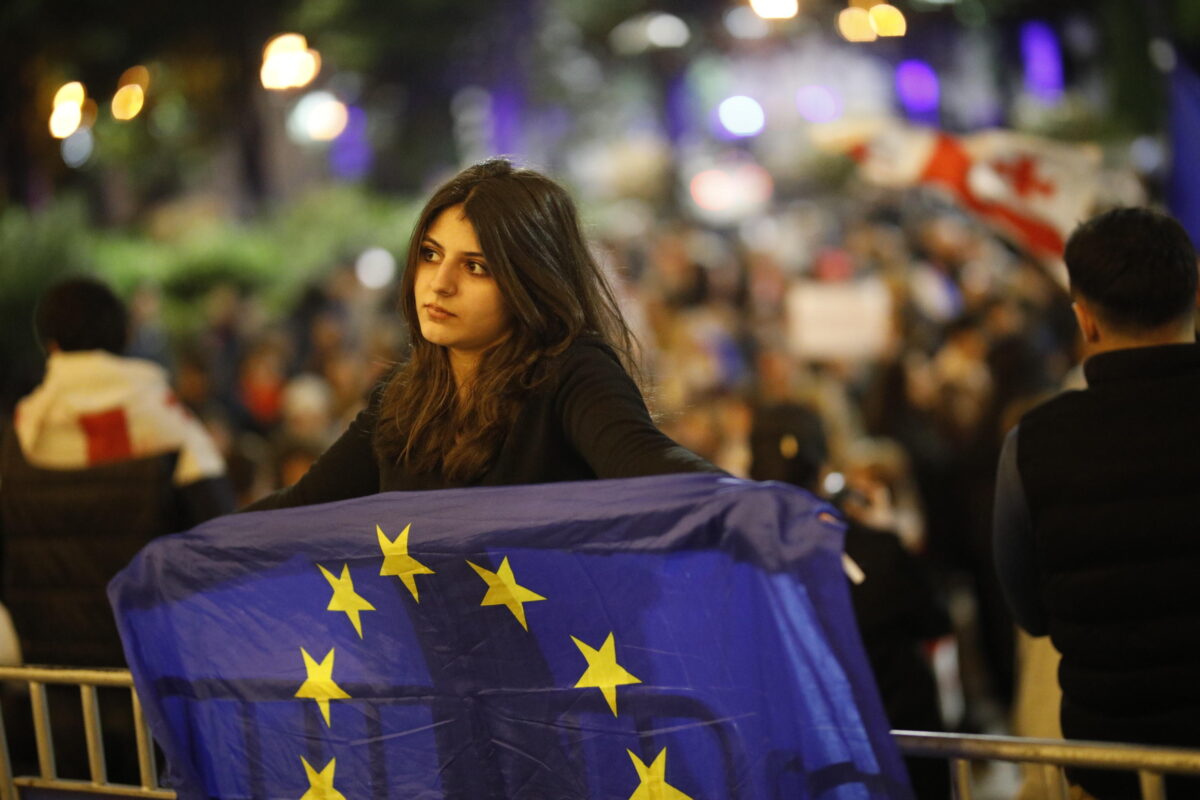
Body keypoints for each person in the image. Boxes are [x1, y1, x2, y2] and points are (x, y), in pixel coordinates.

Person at [247, 158, 719, 511]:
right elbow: (301, 510)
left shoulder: (574, 372)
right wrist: (205, 515)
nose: (440, 283)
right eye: (431, 255)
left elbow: (649, 461)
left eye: (475, 267)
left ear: (530, 283)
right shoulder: (402, 396)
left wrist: (748, 504)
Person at [992, 207, 1200, 799]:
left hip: (1113, 767)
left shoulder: (1032, 444)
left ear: (1085, 319)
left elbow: (1031, 612)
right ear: (1196, 296)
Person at [0, 276, 234, 780]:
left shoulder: (16, 440)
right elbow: (225, 551)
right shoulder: (172, 428)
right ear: (126, 336)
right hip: (160, 698)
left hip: (52, 703)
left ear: (50, 344)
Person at [748, 402, 950, 800]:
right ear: (824, 466)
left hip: (809, 767)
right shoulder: (874, 549)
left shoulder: (742, 565)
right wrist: (891, 538)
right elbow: (935, 621)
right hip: (899, 756)